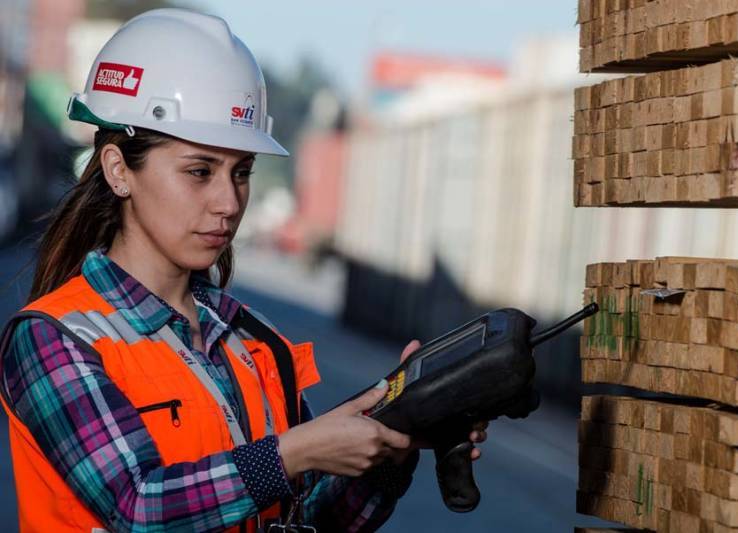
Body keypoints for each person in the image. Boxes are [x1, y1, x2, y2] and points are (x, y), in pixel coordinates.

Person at [0, 8, 487, 532]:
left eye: (241, 173)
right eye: (199, 171)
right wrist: (292, 453)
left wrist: (392, 438)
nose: (229, 202)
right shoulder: (53, 340)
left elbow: (311, 521)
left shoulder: (255, 343)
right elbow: (137, 510)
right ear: (120, 170)